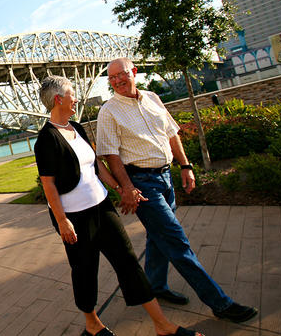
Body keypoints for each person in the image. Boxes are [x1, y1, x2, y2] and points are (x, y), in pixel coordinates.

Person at [34, 75, 204, 336]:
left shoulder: (76, 128)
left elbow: (96, 165)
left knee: (128, 262)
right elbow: (49, 185)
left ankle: (162, 325)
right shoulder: (46, 139)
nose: (75, 99)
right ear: (59, 99)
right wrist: (62, 221)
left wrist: (121, 189)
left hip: (102, 208)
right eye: (71, 95)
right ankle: (92, 323)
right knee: (85, 270)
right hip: (75, 219)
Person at [96, 58, 258, 323]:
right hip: (142, 183)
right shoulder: (109, 111)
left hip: (165, 177)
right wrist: (126, 188)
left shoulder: (152, 97)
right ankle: (219, 303)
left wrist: (186, 165)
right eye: (111, 78)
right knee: (176, 242)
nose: (117, 81)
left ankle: (156, 286)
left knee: (158, 238)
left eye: (121, 75)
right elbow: (111, 156)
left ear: (134, 72)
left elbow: (172, 135)